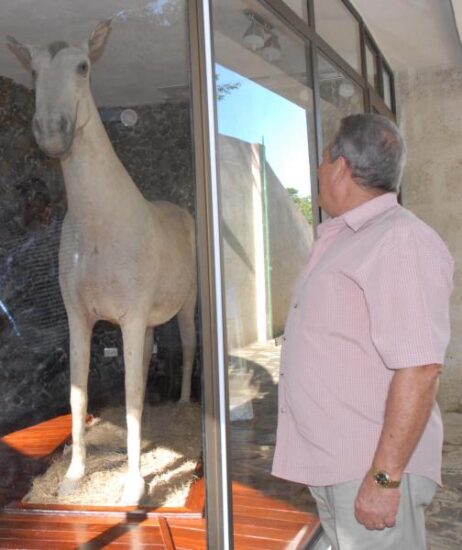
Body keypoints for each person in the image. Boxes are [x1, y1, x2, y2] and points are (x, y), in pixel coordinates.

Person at [272, 113, 453, 550]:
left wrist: (385, 479)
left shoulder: (397, 240)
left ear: (340, 167)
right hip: (340, 465)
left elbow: (419, 368)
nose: (316, 169)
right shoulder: (350, 238)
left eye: (322, 157)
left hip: (369, 469)